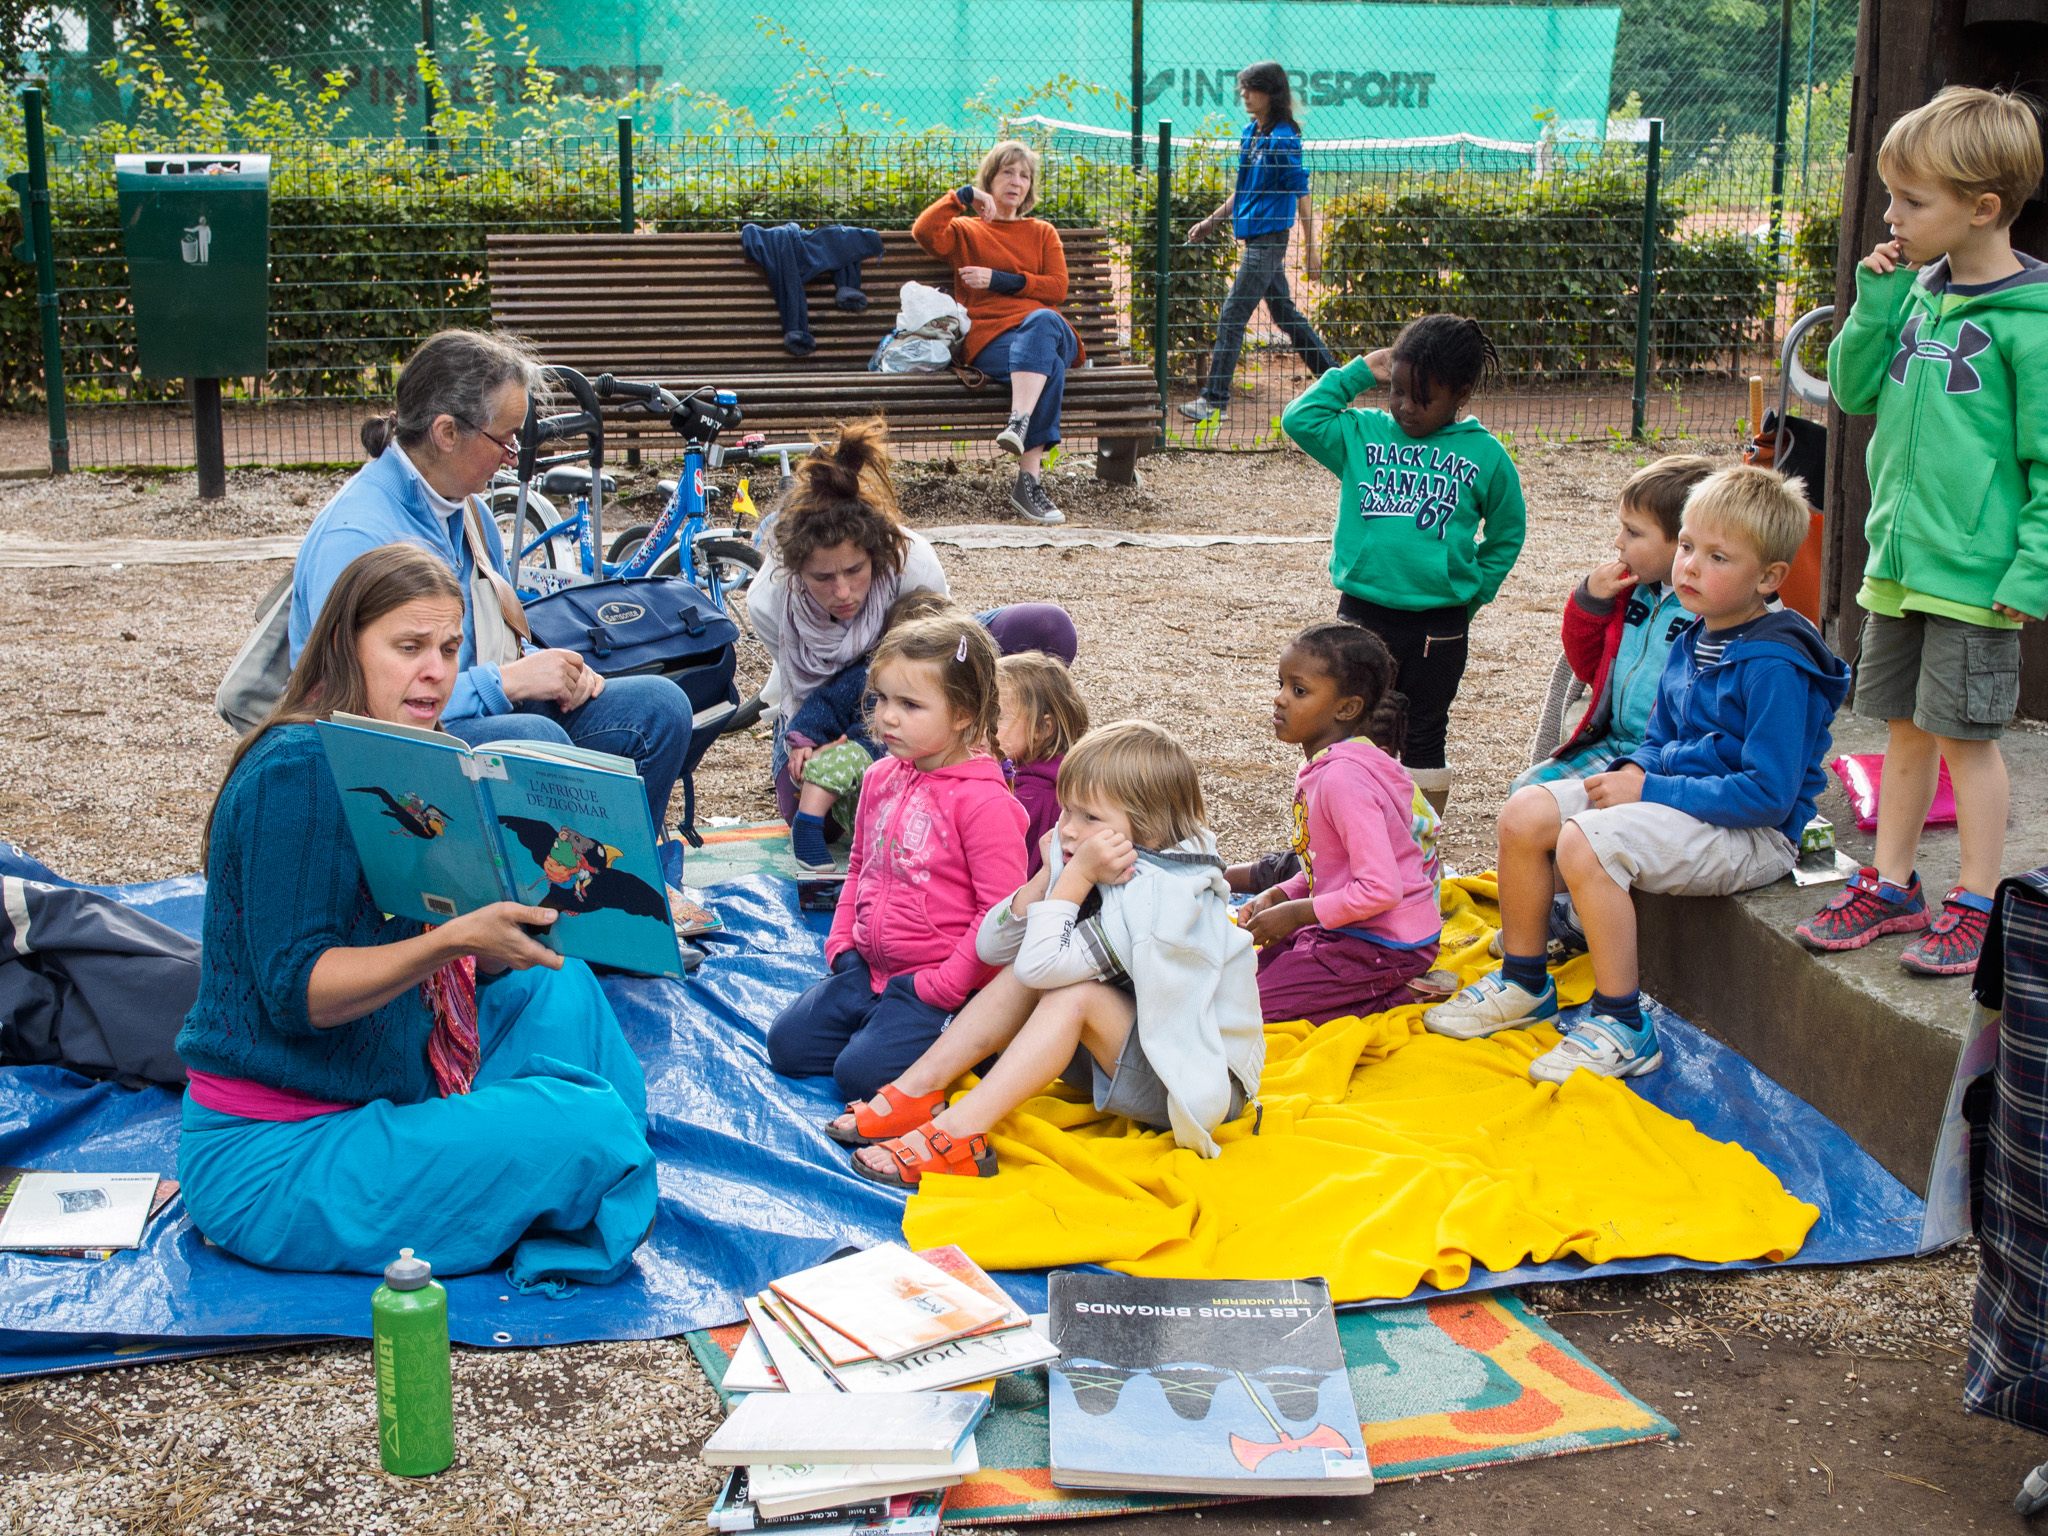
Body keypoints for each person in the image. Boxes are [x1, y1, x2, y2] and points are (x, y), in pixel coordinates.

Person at [176, 544, 656, 1286]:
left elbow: (419, 932)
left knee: (561, 983)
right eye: (409, 647)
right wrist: (454, 940)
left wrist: (500, 939)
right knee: (589, 1131)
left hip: (375, 1080)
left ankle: (565, 1166)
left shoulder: (395, 753)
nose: (436, 670)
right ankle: (570, 1166)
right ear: (347, 646)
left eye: (450, 648)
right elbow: (300, 992)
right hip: (275, 1151)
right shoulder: (297, 770)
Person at [1423, 466, 1850, 1082]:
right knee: (1525, 812)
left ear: (1769, 578)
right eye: (1687, 547)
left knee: (1586, 842)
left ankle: (1623, 1023)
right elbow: (1659, 741)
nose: (1690, 567)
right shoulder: (1696, 635)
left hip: (1756, 833)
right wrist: (1630, 772)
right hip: (1684, 803)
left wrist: (1646, 789)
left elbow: (1767, 795)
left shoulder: (1775, 667)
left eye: (1717, 557)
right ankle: (1525, 981)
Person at [1793, 86, 2048, 977]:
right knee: (1900, 730)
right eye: (1891, 196)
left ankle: (1978, 900)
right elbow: (1852, 390)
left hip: (1977, 577)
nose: (1891, 216)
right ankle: (1893, 884)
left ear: (1983, 208)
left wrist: (2031, 573)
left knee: (1968, 743)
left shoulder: (2032, 326)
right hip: (1897, 568)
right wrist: (1875, 302)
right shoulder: (1913, 294)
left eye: (1911, 200)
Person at [826, 720, 1262, 1185]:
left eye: (1090, 818)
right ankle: (917, 1089)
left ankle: (957, 1132)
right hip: (1144, 1050)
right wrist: (1046, 879)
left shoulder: (1156, 899)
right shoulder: (1104, 860)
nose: (1069, 830)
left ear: (1149, 829)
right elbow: (992, 948)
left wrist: (1074, 879)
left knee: (1072, 995)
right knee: (1027, 969)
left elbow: (1042, 967)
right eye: (1066, 810)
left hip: (1194, 1085)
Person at [292, 330, 691, 831]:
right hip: (383, 746)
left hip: (469, 715)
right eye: (504, 439)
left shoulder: (472, 513)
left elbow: (494, 645)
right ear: (446, 433)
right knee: (533, 743)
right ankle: (546, 873)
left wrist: (556, 672)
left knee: (659, 708)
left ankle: (613, 870)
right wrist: (506, 683)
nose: (512, 456)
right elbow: (346, 701)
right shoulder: (357, 534)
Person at [766, 613, 1029, 1102]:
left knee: (858, 1076)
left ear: (964, 713)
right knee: (786, 1047)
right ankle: (882, 1031)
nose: (887, 717)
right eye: (882, 698)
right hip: (867, 969)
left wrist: (946, 986)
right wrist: (841, 943)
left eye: (910, 704)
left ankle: (964, 1038)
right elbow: (860, 866)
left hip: (938, 984)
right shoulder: (880, 777)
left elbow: (1000, 919)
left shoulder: (985, 804)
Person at [1280, 313, 1527, 817]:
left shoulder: (1485, 455)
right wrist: (1357, 373)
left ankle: (1420, 847)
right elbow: (1299, 420)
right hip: (1360, 615)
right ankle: (1341, 832)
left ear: (1461, 394)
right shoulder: (1363, 434)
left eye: (1423, 398)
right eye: (1396, 391)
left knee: (1422, 732)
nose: (1405, 407)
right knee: (1347, 729)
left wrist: (1470, 593)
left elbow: (1507, 533)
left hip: (1440, 627)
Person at [748, 419, 952, 825]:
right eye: (822, 578)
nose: (842, 592)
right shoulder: (769, 600)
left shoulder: (913, 563)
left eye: (855, 570)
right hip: (817, 702)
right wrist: (821, 743)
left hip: (910, 699)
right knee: (810, 811)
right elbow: (817, 697)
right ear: (797, 573)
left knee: (1043, 625)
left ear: (876, 553)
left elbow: (939, 664)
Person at [1239, 622, 1442, 1025]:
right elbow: (1333, 867)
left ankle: (1397, 994)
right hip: (1352, 929)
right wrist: (1281, 894)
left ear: (1346, 709)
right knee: (1238, 976)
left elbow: (1381, 889)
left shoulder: (1343, 780)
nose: (1279, 699)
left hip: (1388, 944)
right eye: (1281, 684)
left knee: (1244, 1009)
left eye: (1299, 690)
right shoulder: (1329, 765)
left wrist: (1297, 914)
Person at [1512, 455, 1720, 793]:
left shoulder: (1709, 611)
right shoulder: (1627, 593)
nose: (1618, 541)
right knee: (1527, 791)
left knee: (1593, 814)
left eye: (1633, 532)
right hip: (1612, 743)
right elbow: (1585, 666)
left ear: (1683, 542)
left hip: (1670, 760)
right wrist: (1590, 602)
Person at [912, 139, 1082, 526]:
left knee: (1043, 320)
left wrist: (998, 280)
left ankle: (1018, 420)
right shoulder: (966, 230)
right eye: (1007, 172)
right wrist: (963, 196)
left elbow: (1057, 289)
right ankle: (1028, 484)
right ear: (990, 179)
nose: (1016, 181)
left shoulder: (1042, 232)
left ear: (1030, 187)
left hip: (1048, 330)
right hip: (992, 340)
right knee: (1050, 368)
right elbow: (924, 232)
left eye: (1024, 175)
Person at [1179, 61, 1340, 424]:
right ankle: (1335, 380)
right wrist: (1211, 222)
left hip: (1268, 243)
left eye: (1251, 88)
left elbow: (1302, 194)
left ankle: (1214, 400)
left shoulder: (1283, 139)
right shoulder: (1251, 132)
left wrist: (1312, 250)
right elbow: (1243, 190)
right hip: (1255, 240)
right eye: (1243, 87)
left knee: (1233, 314)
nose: (1244, 94)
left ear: (1270, 93)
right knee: (1285, 315)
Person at [785, 588, 960, 873]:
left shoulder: (945, 689)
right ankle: (807, 825)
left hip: (912, 792)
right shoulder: (868, 674)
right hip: (866, 762)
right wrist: (804, 737)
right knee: (840, 759)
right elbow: (827, 703)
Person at [995, 650, 1090, 880]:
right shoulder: (1062, 777)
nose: (981, 725)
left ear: (1042, 728)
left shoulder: (1032, 797)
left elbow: (1008, 877)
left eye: (996, 716)